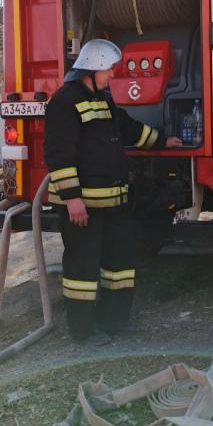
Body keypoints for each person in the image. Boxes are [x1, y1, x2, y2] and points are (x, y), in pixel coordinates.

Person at [44, 39, 182, 345]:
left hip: (114, 203)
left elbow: (128, 128)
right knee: (82, 270)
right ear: (91, 70)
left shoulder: (103, 100)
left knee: (119, 265)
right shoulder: (65, 102)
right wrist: (73, 199)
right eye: (107, 70)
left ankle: (114, 322)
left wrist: (162, 141)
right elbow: (58, 155)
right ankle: (83, 331)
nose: (111, 76)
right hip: (83, 209)